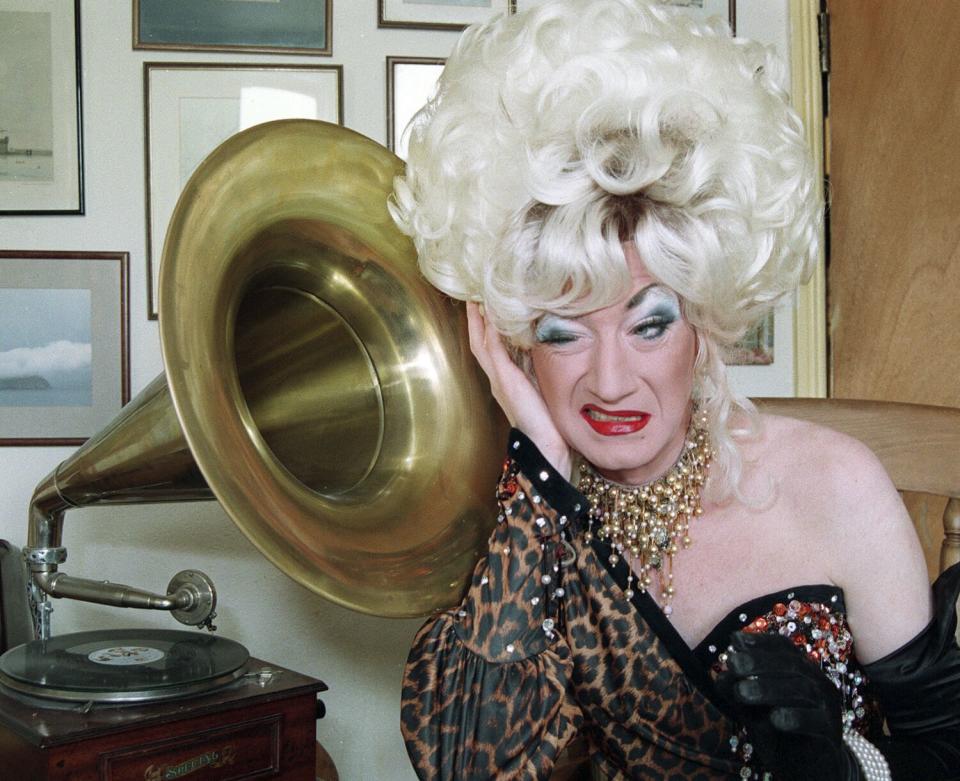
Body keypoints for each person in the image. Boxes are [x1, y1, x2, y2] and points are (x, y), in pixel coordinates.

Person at [389, 1, 960, 778]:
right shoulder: (515, 519)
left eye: (650, 323)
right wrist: (542, 467)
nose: (612, 378)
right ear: (514, 341)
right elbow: (464, 761)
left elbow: (948, 750)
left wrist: (848, 765)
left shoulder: (836, 485)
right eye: (563, 331)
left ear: (704, 320)